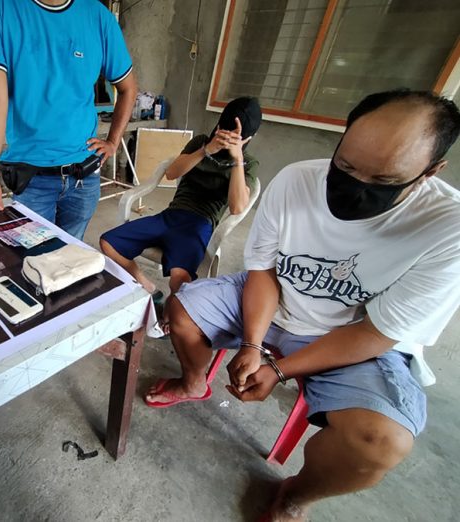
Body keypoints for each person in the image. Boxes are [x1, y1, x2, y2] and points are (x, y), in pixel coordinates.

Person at [144, 90, 460, 521]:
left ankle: (294, 497)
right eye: (345, 166)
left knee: (380, 441)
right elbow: (263, 273)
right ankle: (194, 381)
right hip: (274, 297)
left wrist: (277, 370)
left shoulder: (447, 228)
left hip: (349, 335)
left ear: (429, 172)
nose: (355, 186)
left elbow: (376, 333)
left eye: (384, 181)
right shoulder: (297, 180)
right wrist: (253, 346)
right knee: (180, 311)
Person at [0, 0, 138, 239]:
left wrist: (113, 141)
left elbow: (128, 88)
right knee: (33, 261)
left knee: (72, 259)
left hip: (84, 178)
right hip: (31, 179)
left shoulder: (98, 16)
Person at [100, 97, 261, 326]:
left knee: (180, 281)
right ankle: (149, 289)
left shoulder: (248, 163)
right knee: (109, 243)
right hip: (171, 215)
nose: (226, 138)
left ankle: (169, 317)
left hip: (199, 224)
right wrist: (206, 150)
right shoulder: (200, 142)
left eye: (234, 136)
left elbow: (237, 207)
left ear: (248, 139)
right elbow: (172, 173)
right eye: (223, 130)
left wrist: (237, 160)